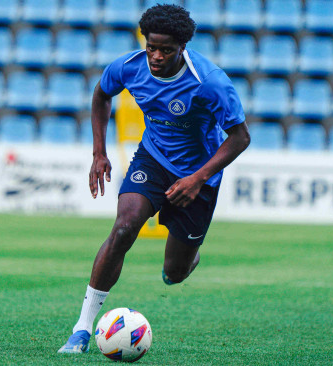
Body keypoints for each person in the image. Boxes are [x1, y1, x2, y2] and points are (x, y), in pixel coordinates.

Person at [58, 4, 250, 354]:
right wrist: (98, 152)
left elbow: (240, 137)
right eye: (152, 47)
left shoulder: (209, 82)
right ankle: (82, 329)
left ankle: (189, 259)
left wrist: (197, 178)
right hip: (153, 160)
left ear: (182, 48)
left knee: (173, 273)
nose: (156, 56)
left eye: (166, 50)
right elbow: (102, 94)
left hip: (198, 177)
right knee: (123, 227)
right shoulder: (129, 67)